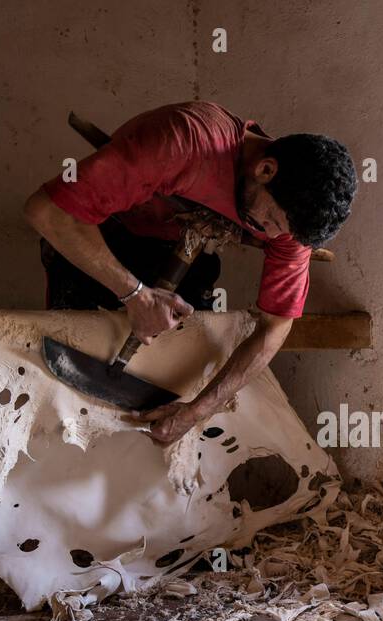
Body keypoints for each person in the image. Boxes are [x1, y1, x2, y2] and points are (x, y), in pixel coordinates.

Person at [24, 101, 356, 444]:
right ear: (266, 170)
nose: (271, 236)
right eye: (270, 221)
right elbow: (47, 212)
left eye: (281, 231)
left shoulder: (292, 226)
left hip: (182, 256)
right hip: (102, 239)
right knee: (69, 402)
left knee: (172, 383)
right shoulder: (184, 142)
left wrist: (197, 410)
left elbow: (275, 326)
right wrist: (135, 294)